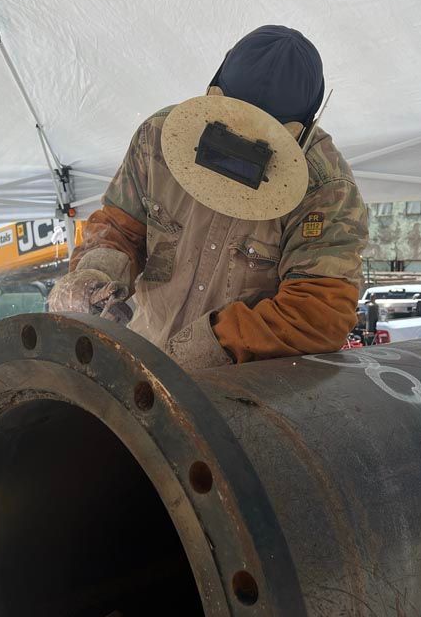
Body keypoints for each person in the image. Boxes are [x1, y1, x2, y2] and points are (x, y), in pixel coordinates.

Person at [48, 25, 368, 369]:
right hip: (145, 355)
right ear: (213, 94)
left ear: (298, 134)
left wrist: (212, 343)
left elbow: (319, 313)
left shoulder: (325, 189)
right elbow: (121, 229)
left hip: (242, 387)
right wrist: (95, 275)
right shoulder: (159, 140)